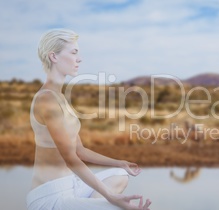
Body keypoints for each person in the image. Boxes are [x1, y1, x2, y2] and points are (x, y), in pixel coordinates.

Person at [26, 29, 152, 210]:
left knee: (120, 174)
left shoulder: (59, 97)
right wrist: (111, 197)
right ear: (53, 56)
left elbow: (80, 151)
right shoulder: (47, 100)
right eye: (73, 52)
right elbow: (70, 158)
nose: (79, 59)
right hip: (49, 197)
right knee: (118, 206)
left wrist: (120, 163)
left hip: (72, 186)